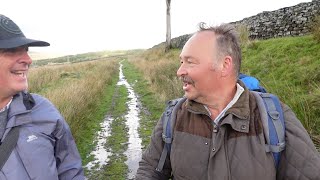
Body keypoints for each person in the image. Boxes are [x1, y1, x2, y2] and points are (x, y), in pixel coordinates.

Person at [136, 22, 320, 179]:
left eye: (190, 62)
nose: (179, 71)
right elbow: (149, 171)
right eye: (181, 62)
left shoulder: (275, 117)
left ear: (225, 65)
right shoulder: (173, 116)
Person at [0, 14, 85, 179]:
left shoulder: (43, 110)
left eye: (26, 50)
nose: (28, 59)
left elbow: (71, 172)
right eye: (11, 50)